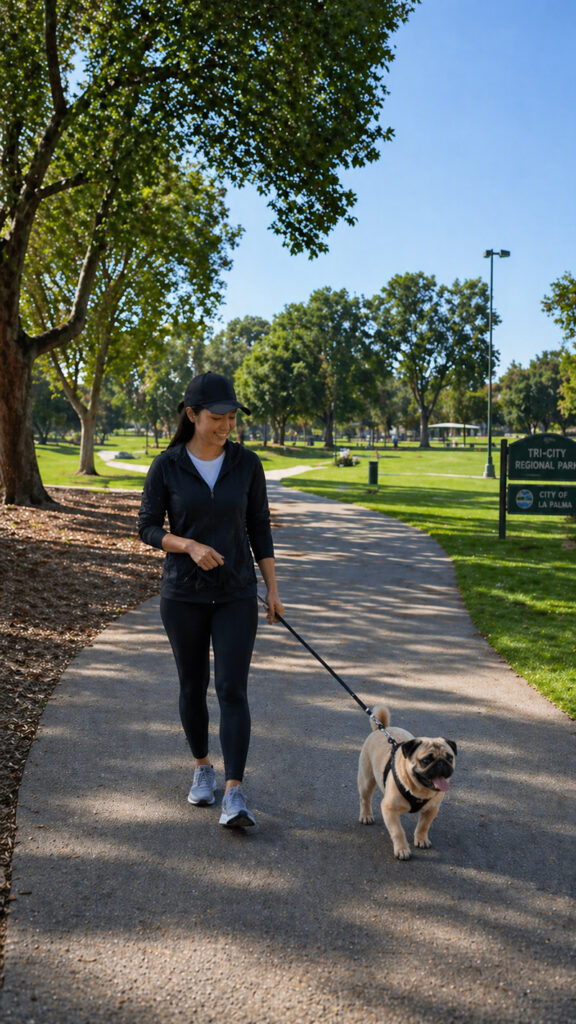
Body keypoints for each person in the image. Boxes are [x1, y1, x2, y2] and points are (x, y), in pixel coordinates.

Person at [138, 371, 283, 828]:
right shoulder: (168, 465)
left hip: (238, 592)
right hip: (183, 595)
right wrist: (189, 546)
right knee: (192, 684)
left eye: (232, 417)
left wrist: (273, 588)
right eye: (217, 417)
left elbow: (259, 526)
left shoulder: (247, 464)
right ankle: (203, 767)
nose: (226, 425)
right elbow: (147, 527)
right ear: (192, 415)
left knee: (232, 689)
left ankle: (235, 793)